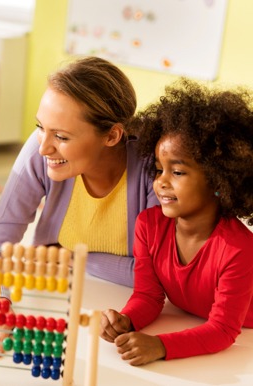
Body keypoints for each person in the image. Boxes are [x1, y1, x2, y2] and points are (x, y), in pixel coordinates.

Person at [0, 56, 158, 354]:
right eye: (40, 127)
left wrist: (67, 257)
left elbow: (157, 274)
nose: (44, 147)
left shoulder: (152, 170)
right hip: (58, 302)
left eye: (62, 136)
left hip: (124, 315)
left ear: (112, 135)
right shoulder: (40, 150)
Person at [100, 79, 253, 365]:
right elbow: (148, 295)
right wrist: (126, 320)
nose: (161, 182)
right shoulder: (148, 225)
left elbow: (223, 329)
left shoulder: (237, 248)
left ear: (218, 180)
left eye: (178, 172)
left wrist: (160, 346)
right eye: (159, 170)